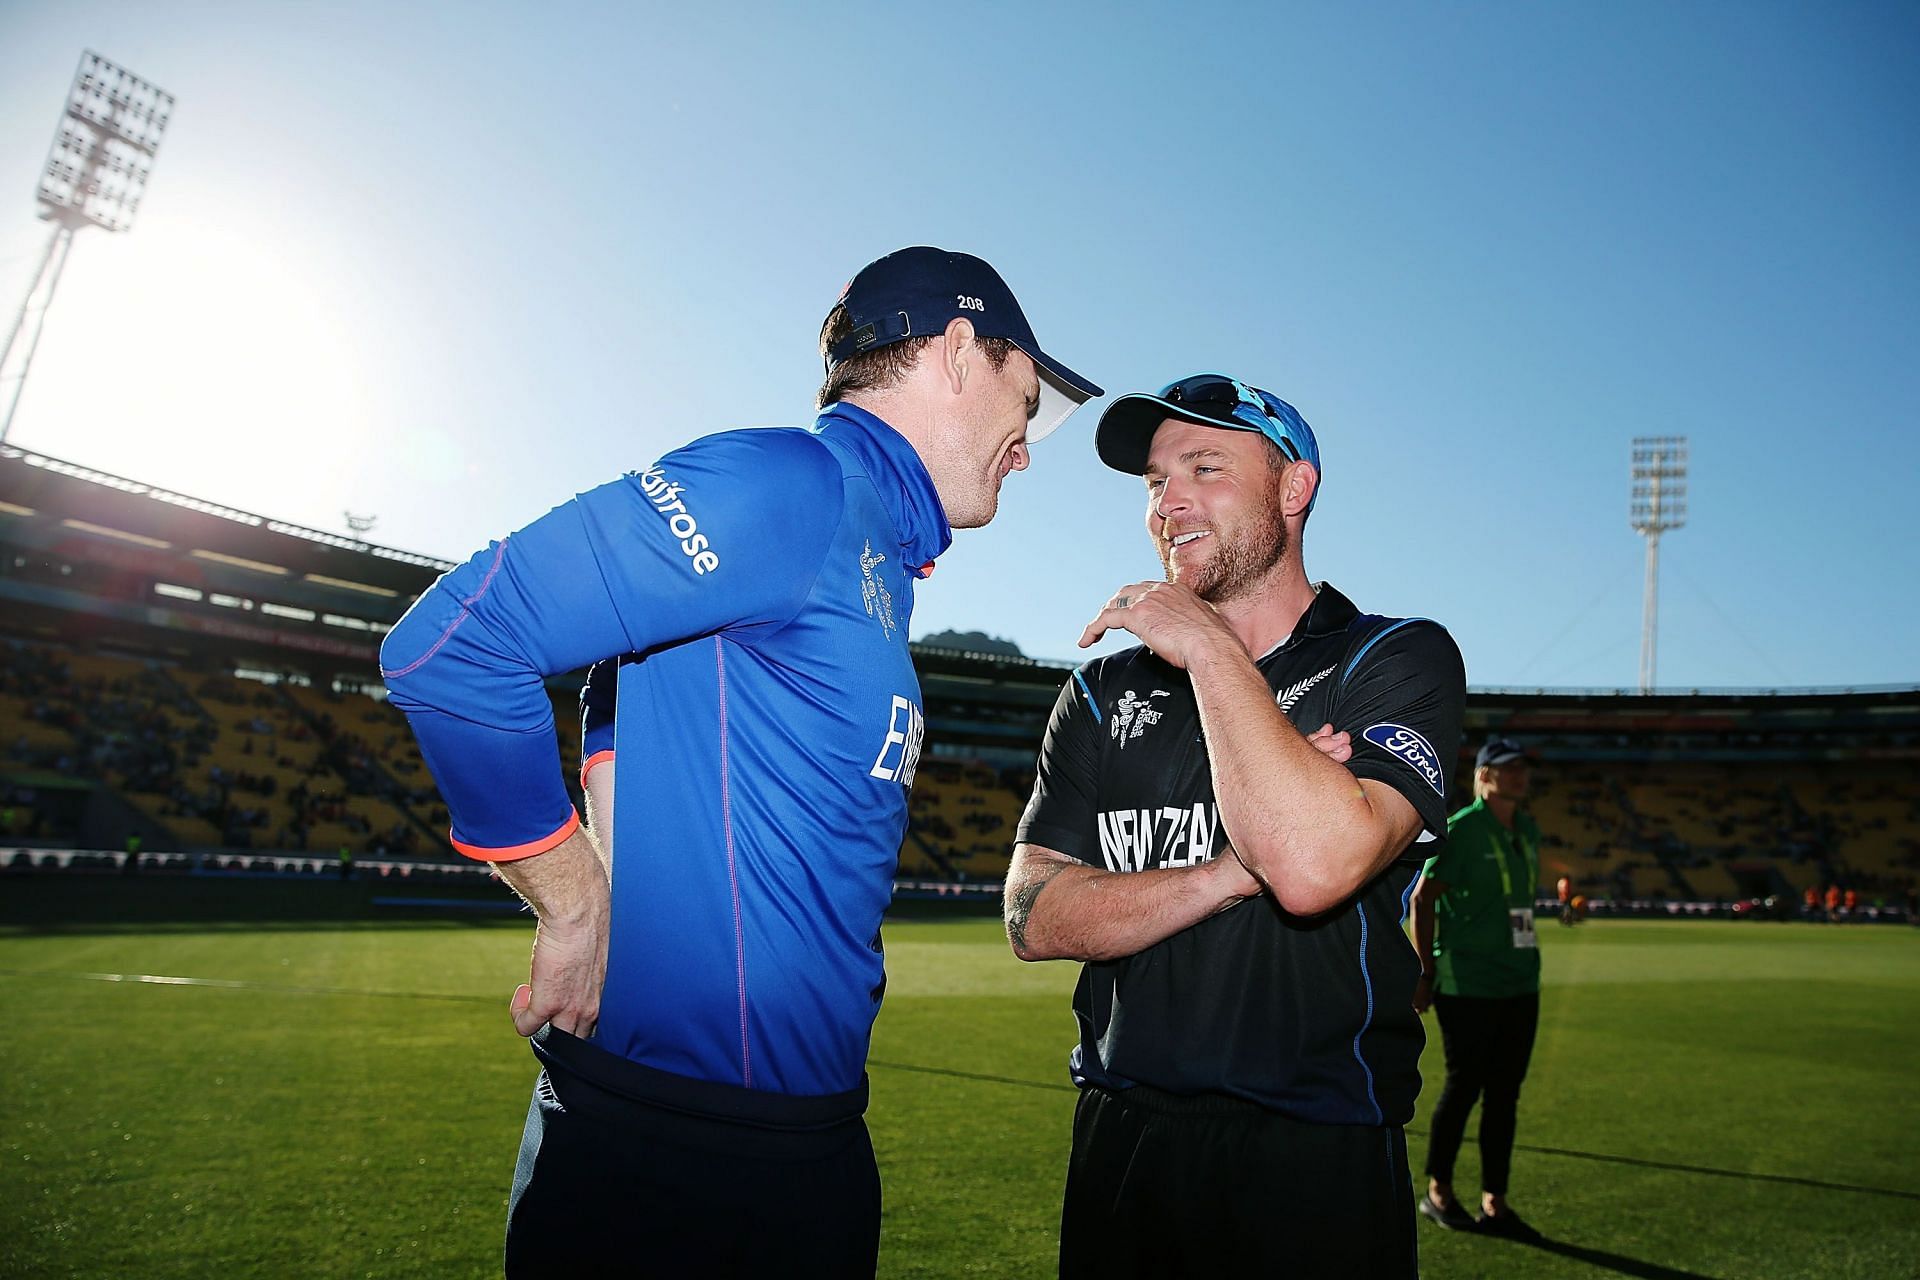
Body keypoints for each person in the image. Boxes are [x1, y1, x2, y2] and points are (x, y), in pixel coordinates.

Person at [380, 246, 1100, 1278]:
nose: (1027, 447)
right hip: (671, 1155)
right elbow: (454, 643)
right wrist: (577, 900)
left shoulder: (879, 558)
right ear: (953, 353)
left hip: (803, 1142)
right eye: (1025, 401)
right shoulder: (793, 482)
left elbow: (621, 673)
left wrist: (614, 813)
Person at [1003, 372, 1466, 1277]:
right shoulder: (1103, 691)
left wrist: (1210, 646)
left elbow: (1315, 868)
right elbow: (1033, 918)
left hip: (1317, 1151)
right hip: (1119, 1136)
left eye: (1205, 466)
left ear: (1295, 489)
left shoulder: (1393, 656)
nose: (1168, 500)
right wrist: (1227, 870)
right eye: (1153, 482)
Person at [1408, 736, 1545, 1238]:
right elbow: (1423, 899)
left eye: (1522, 768)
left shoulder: (1527, 829)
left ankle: (1496, 1201)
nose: (1518, 776)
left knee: (1505, 1095)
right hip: (1467, 982)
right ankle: (1439, 1192)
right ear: (1484, 775)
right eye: (1507, 768)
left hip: (1520, 979)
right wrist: (1424, 971)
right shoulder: (1462, 830)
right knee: (1464, 1088)